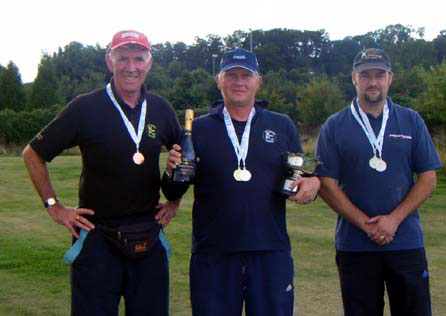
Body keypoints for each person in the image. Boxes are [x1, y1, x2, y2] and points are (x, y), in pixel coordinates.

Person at [22, 30, 181, 316]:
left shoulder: (161, 108)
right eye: (122, 58)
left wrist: (174, 201)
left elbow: (185, 159)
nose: (130, 67)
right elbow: (33, 153)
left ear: (149, 63)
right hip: (97, 236)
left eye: (138, 59)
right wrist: (53, 206)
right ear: (110, 61)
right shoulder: (85, 107)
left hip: (148, 233)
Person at [163, 47, 320, 316]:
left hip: (271, 251)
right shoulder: (196, 129)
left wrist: (313, 184)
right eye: (231, 75)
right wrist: (170, 172)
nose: (239, 82)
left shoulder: (282, 125)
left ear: (258, 81)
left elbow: (303, 175)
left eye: (246, 75)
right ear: (219, 81)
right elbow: (172, 190)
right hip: (213, 253)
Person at [315, 48, 441, 316]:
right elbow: (326, 183)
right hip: (355, 244)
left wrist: (393, 220)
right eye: (365, 75)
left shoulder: (411, 120)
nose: (373, 82)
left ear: (390, 78)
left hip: (405, 241)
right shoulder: (334, 125)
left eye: (379, 75)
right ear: (354, 78)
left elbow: (428, 178)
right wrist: (366, 224)